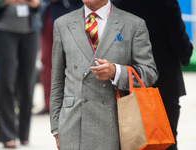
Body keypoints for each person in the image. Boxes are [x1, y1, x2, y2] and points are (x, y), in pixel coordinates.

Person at [49, 0, 158, 149]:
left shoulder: (133, 24)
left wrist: (117, 72)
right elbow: (57, 80)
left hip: (115, 126)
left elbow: (149, 72)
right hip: (73, 128)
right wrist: (56, 128)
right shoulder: (62, 24)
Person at [111, 0, 193, 149]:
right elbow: (179, 40)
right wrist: (186, 55)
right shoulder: (166, 3)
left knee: (130, 140)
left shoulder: (117, 3)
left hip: (129, 81)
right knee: (166, 139)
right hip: (165, 82)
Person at [0, 0, 42, 148]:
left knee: (28, 83)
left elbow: (44, 4)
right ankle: (7, 135)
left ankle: (24, 133)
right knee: (6, 82)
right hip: (4, 30)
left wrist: (37, 3)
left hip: (31, 31)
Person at [36, 0, 83, 115]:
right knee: (47, 62)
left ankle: (75, 102)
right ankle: (49, 105)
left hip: (72, 13)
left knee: (74, 60)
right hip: (49, 15)